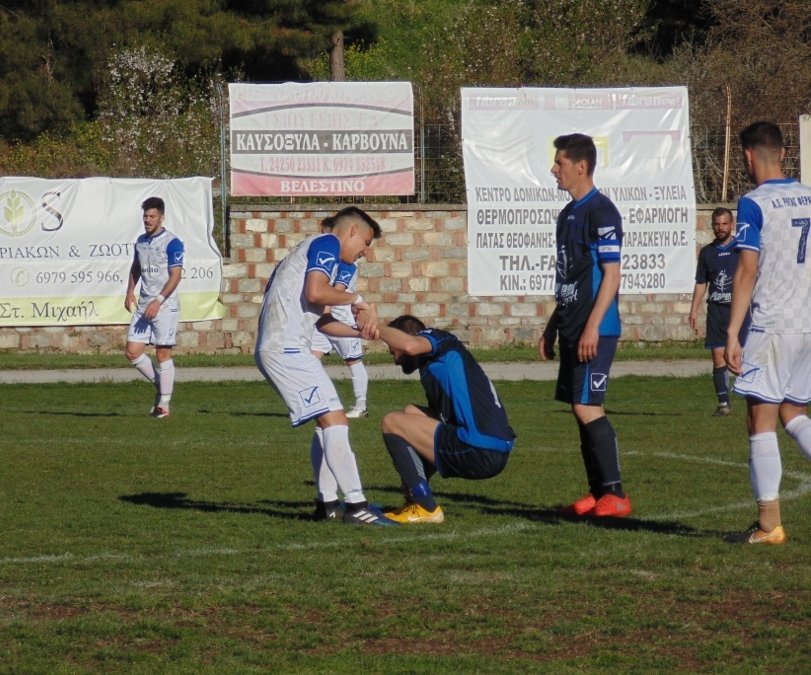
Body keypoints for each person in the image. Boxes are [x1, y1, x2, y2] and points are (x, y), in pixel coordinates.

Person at [254, 206, 396, 526]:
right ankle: (357, 506)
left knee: (327, 421)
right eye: (366, 243)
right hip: (285, 348)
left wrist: (361, 331)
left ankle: (328, 504)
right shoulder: (327, 243)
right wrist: (359, 300)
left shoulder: (309, 250)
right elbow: (316, 292)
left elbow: (323, 322)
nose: (364, 253)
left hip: (288, 347)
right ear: (352, 232)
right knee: (336, 420)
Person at [725, 121, 811, 545]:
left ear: (747, 156)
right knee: (794, 415)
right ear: (783, 153)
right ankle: (768, 523)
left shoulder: (754, 203)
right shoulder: (810, 197)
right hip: (808, 325)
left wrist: (731, 334)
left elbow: (747, 269)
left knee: (760, 418)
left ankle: (768, 524)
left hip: (771, 325)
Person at [538, 133, 632, 518]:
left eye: (559, 163)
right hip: (572, 326)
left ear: (581, 166)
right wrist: (552, 326)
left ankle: (616, 494)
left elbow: (612, 274)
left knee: (587, 405)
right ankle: (597, 493)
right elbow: (568, 276)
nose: (553, 170)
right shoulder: (567, 215)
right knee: (580, 407)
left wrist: (593, 327)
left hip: (597, 328)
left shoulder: (602, 211)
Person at [355, 313, 515, 524]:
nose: (394, 357)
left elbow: (411, 345)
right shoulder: (436, 367)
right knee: (411, 413)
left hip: (478, 446)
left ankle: (426, 507)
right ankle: (416, 498)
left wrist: (373, 325)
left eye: (393, 347)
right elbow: (435, 431)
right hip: (493, 448)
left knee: (392, 422)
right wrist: (412, 480)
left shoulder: (441, 340)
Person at [124, 196, 184, 419]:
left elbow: (176, 275)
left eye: (152, 216)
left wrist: (158, 300)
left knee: (162, 353)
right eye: (145, 216)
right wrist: (130, 290)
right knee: (132, 351)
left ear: (162, 217)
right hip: (143, 305)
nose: (148, 220)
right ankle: (162, 385)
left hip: (164, 306)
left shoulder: (172, 242)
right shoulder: (140, 241)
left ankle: (164, 405)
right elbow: (136, 267)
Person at [688, 207, 749, 416]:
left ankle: (754, 398)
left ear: (731, 225)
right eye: (717, 224)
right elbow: (701, 283)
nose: (720, 228)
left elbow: (752, 277)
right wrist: (694, 309)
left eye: (724, 224)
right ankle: (724, 404)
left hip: (738, 313)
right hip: (716, 312)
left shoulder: (741, 250)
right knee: (717, 356)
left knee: (744, 356)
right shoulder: (707, 252)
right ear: (712, 226)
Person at [311, 256, 370, 419]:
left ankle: (361, 406)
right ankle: (319, 404)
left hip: (340, 316)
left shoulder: (348, 261)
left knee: (353, 360)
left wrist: (327, 308)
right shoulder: (327, 254)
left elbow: (338, 289)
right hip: (322, 317)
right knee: (312, 360)